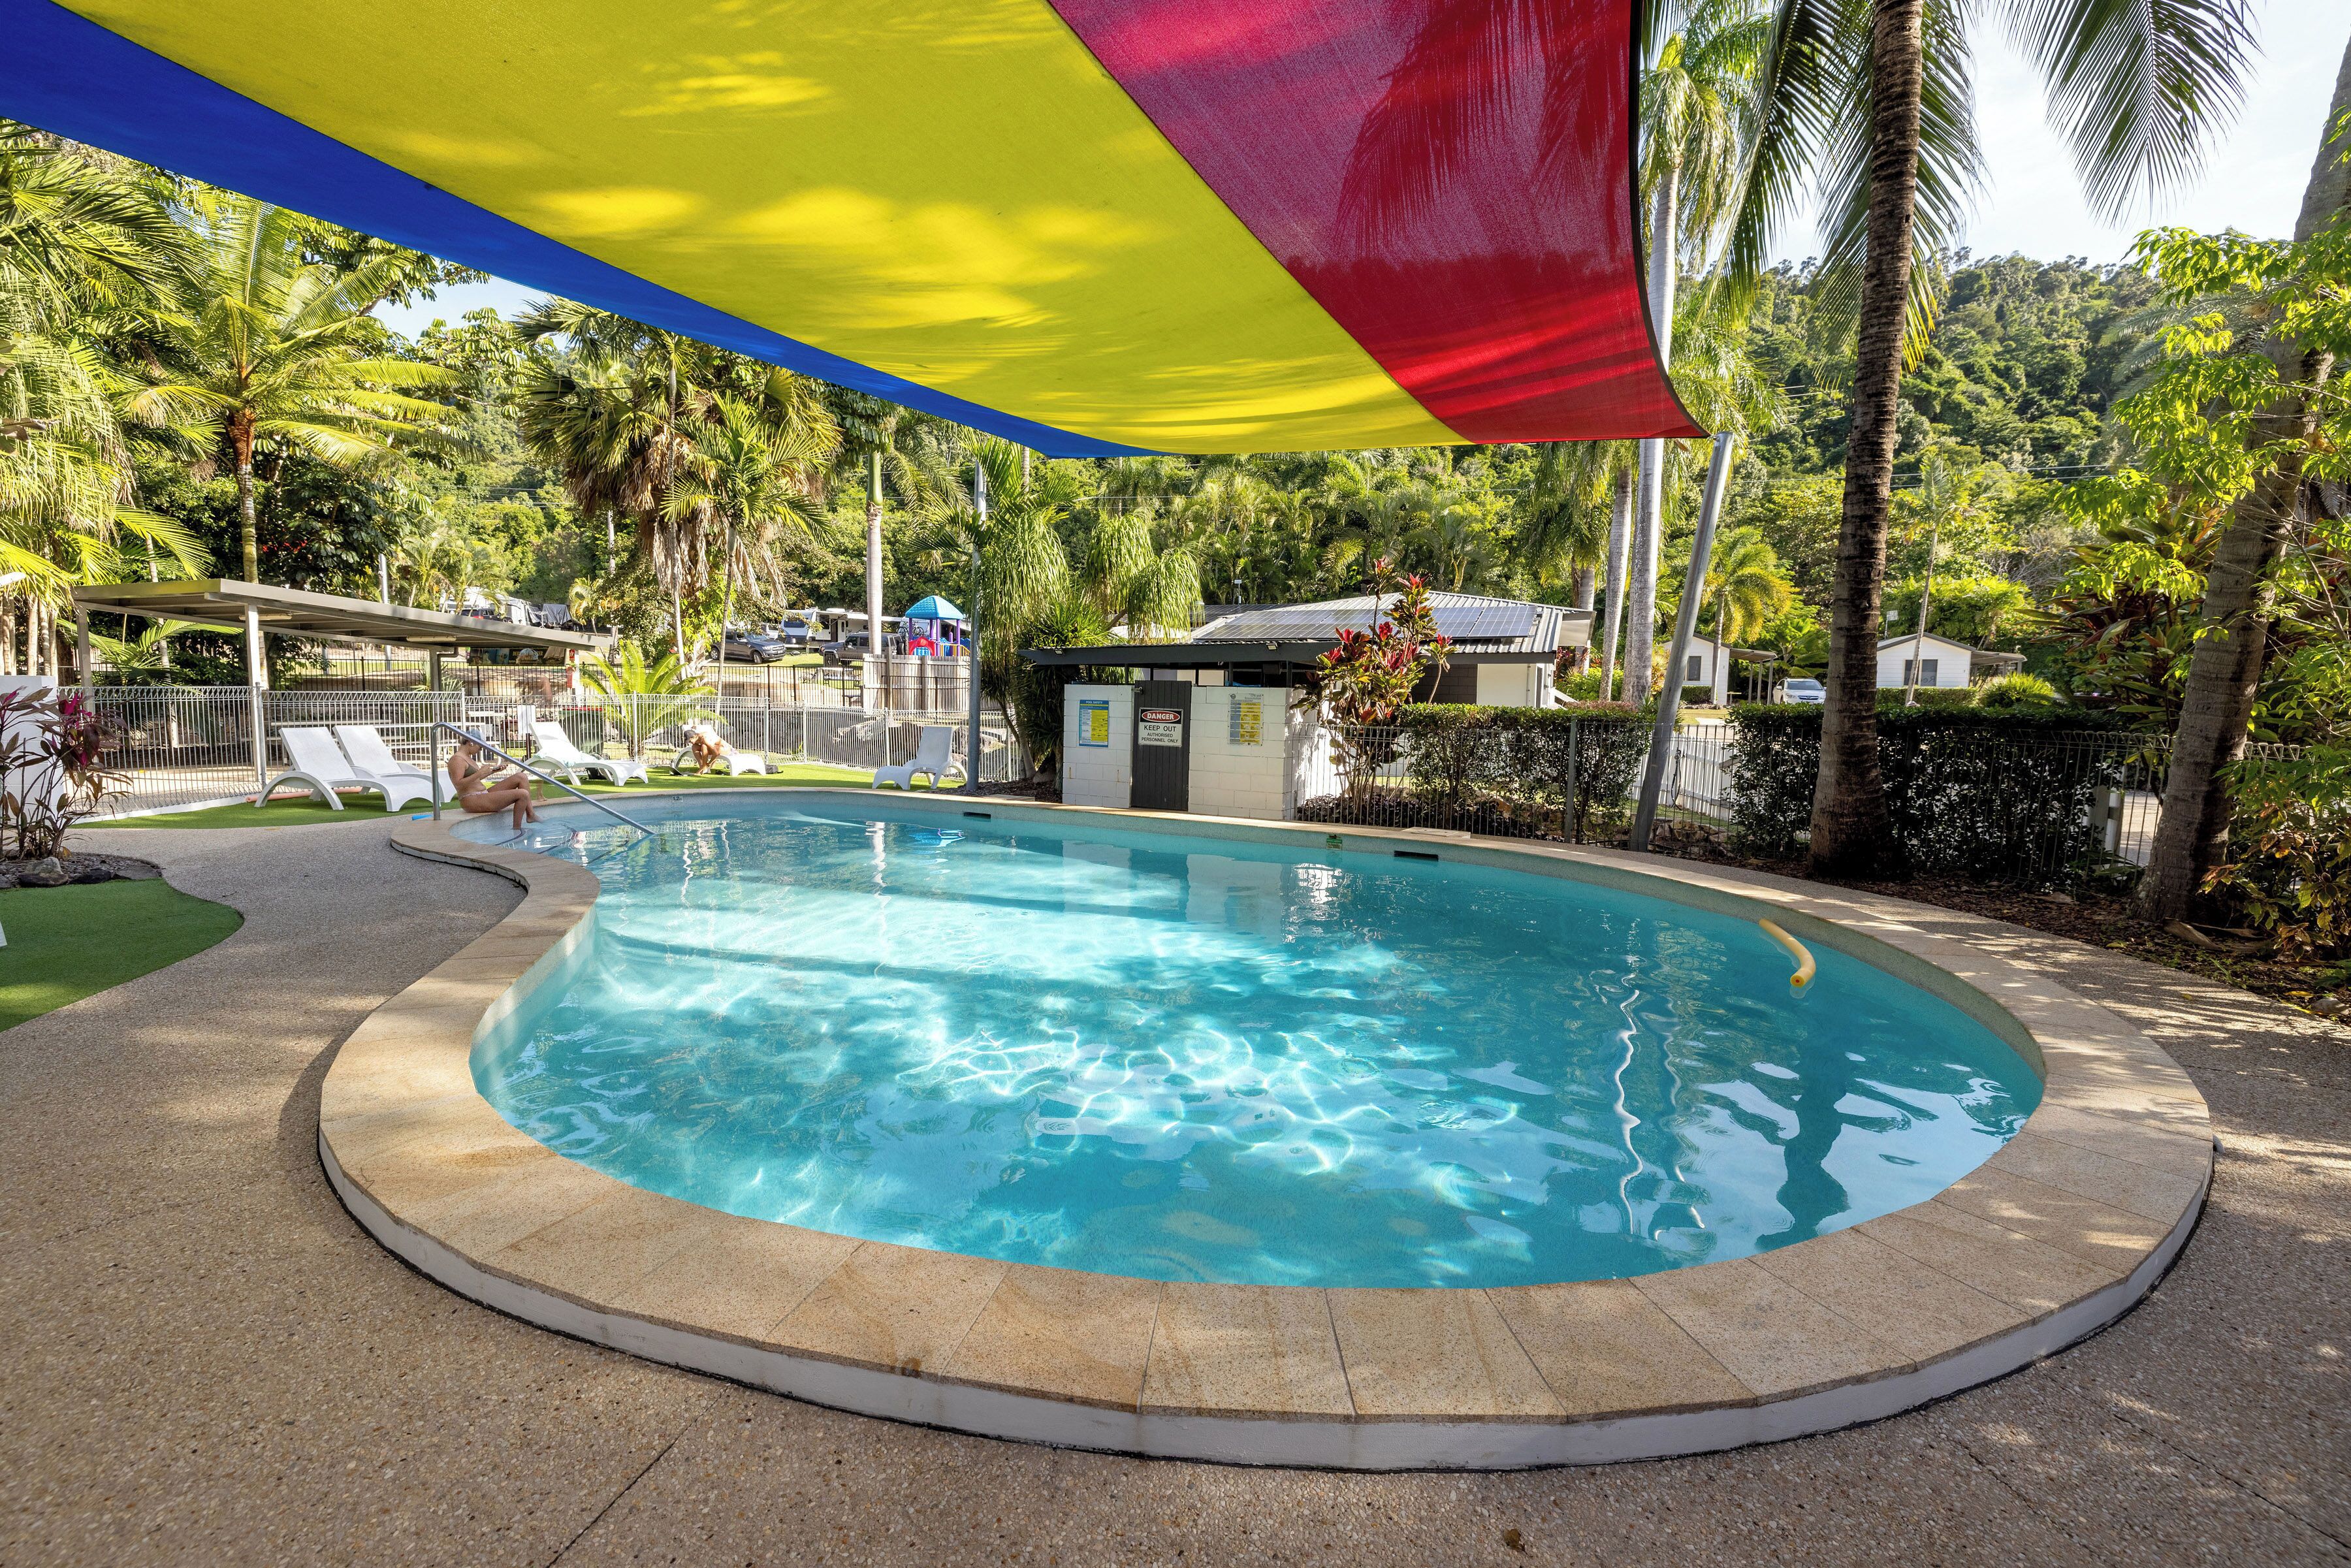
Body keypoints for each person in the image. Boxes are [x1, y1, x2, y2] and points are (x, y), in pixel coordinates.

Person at [446, 734, 541, 830]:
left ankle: (530, 815)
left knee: (521, 777)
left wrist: (493, 771)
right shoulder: (457, 760)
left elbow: (475, 780)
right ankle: (517, 830)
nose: (480, 750)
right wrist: (479, 773)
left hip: (481, 795)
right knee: (523, 794)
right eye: (480, 747)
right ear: (471, 743)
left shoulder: (467, 757)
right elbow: (458, 784)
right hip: (471, 799)